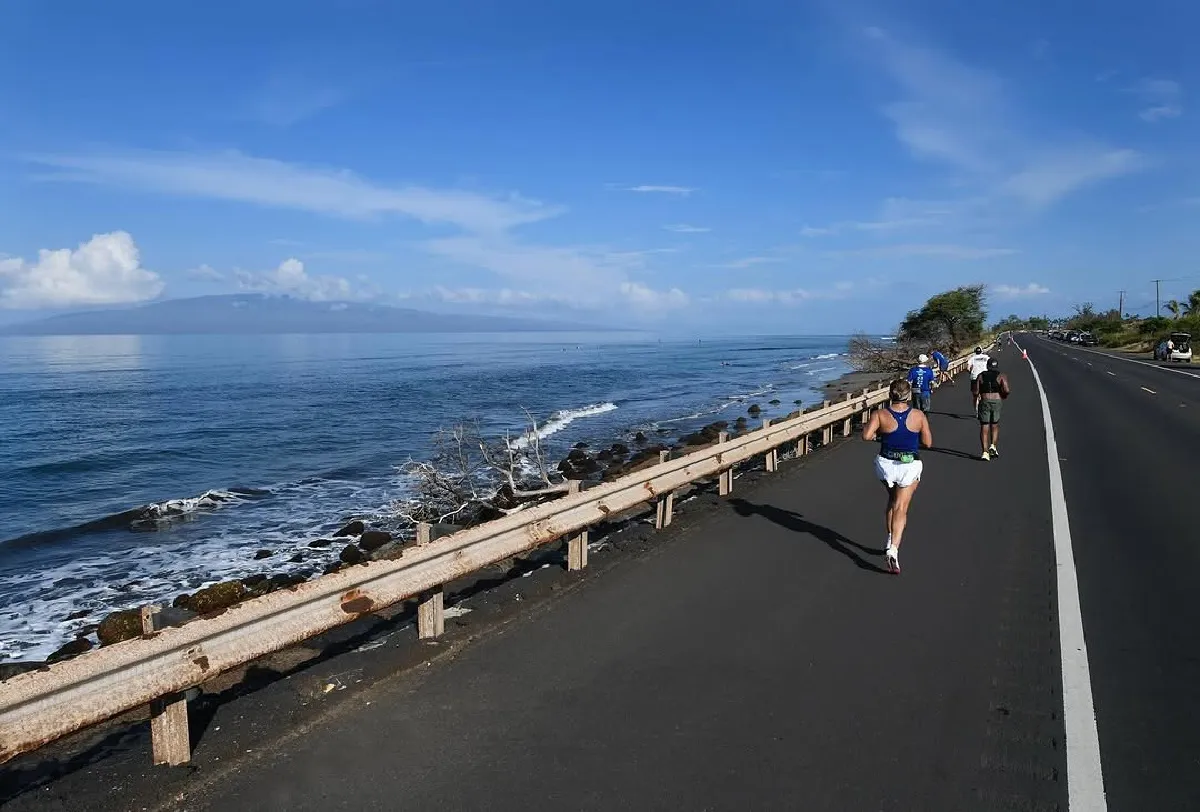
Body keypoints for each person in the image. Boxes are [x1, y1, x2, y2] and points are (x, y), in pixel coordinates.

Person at [862, 379, 932, 574]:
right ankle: (894, 549)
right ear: (908, 395)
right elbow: (928, 442)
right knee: (901, 506)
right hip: (908, 465)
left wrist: (883, 435)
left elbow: (866, 436)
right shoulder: (918, 415)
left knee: (893, 500)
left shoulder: (880, 414)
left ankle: (890, 538)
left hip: (886, 466)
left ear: (890, 394)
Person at [977, 358, 1010, 461]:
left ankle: (985, 452)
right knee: (994, 425)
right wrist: (1003, 395)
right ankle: (993, 446)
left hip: (985, 401)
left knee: (984, 426)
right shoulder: (1001, 376)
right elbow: (1006, 389)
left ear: (987, 366)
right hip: (996, 401)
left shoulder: (981, 376)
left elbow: (975, 391)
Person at [968, 346, 991, 412]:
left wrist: (971, 373)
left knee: (975, 395)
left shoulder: (972, 358)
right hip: (984, 377)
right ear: (981, 351)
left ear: (975, 352)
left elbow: (968, 368)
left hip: (974, 377)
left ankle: (976, 410)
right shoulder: (986, 357)